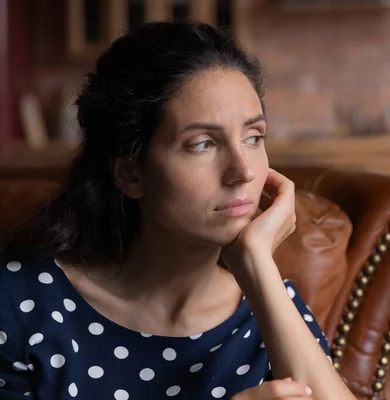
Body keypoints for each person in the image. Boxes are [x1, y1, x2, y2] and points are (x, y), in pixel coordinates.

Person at [0, 22, 355, 400]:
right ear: (131, 173)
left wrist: (255, 262)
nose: (244, 171)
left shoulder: (272, 306)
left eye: (253, 137)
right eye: (202, 144)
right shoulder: (22, 302)